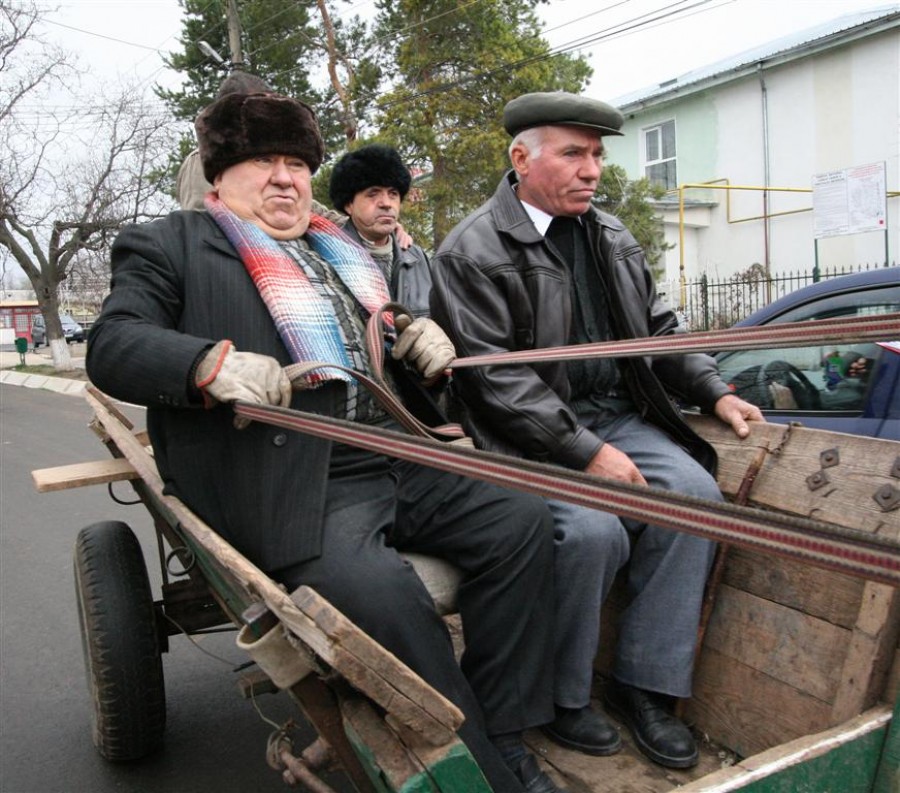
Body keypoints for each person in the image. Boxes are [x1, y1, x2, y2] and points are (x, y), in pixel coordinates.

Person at [87, 89, 564, 793]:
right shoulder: (173, 244)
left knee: (524, 521)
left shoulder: (338, 247)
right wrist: (206, 364)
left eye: (297, 162)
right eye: (261, 161)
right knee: (381, 594)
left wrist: (419, 342)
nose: (284, 176)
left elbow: (382, 338)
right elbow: (114, 344)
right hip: (297, 479)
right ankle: (482, 776)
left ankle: (502, 730)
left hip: (398, 454)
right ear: (219, 175)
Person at [430, 91, 764, 770]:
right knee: (589, 531)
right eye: (574, 153)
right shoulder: (471, 249)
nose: (592, 170)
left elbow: (661, 328)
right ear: (521, 158)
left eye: (598, 155)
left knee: (694, 499)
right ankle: (566, 698)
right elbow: (495, 380)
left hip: (616, 415)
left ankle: (645, 686)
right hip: (521, 439)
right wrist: (586, 453)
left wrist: (713, 390)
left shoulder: (611, 234)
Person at [330, 143, 431, 319]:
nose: (386, 203)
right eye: (373, 193)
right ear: (349, 204)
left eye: (393, 194)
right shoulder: (328, 258)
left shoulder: (418, 260)